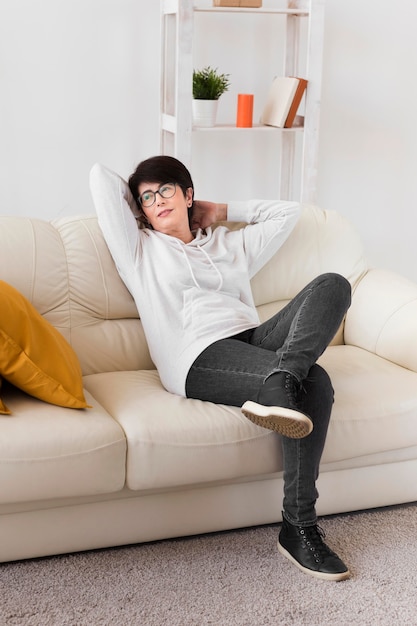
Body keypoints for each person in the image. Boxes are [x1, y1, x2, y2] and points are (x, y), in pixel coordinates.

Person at [94, 155, 352, 581]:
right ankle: (300, 526)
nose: (157, 201)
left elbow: (288, 213)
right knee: (317, 380)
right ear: (139, 209)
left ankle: (281, 381)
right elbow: (100, 178)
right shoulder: (140, 251)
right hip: (196, 354)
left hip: (252, 338)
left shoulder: (227, 243)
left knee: (333, 284)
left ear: (188, 195)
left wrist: (222, 212)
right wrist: (142, 190)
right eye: (147, 197)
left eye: (166, 190)